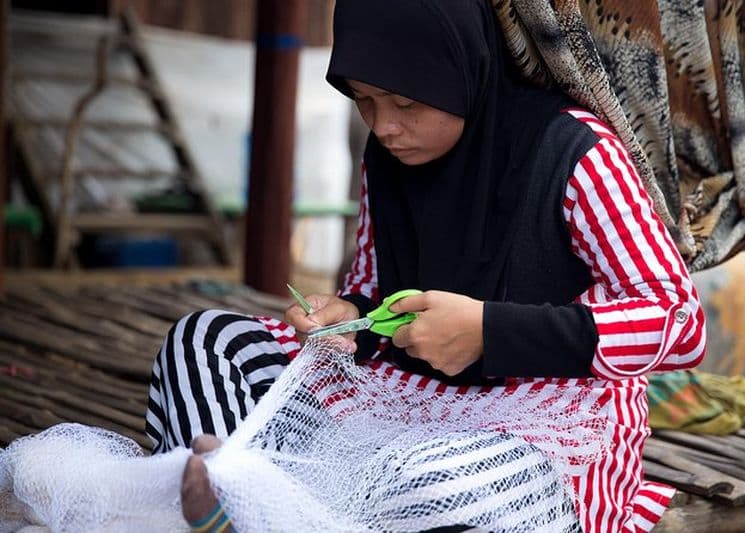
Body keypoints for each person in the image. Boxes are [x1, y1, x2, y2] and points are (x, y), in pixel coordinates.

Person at [147, 1, 706, 531]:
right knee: (204, 341)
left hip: (540, 419)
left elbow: (680, 323)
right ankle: (247, 496)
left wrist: (489, 332)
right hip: (392, 398)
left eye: (405, 103)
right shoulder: (388, 157)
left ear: (461, 69)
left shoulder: (576, 154)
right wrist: (350, 318)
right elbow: (372, 292)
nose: (384, 126)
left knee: (426, 484)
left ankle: (269, 503)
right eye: (364, 101)